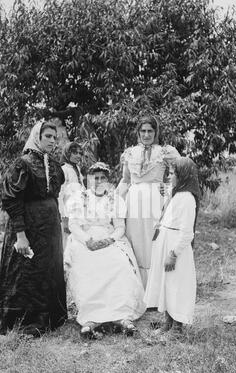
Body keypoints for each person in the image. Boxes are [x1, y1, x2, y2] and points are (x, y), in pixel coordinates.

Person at [0, 120, 68, 337]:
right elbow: (12, 200)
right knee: (26, 271)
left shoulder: (53, 165)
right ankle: (25, 321)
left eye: (55, 137)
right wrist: (20, 236)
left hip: (49, 229)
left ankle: (48, 318)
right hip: (28, 227)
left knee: (47, 270)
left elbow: (54, 194)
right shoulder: (23, 164)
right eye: (48, 137)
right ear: (37, 137)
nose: (52, 141)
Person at [64, 162, 146, 337]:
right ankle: (91, 320)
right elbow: (74, 225)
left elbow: (119, 227)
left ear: (108, 181)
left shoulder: (114, 199)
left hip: (109, 239)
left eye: (103, 178)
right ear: (88, 179)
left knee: (120, 265)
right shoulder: (80, 198)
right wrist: (87, 241)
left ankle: (122, 318)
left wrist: (110, 239)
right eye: (95, 178)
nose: (99, 181)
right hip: (85, 240)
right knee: (88, 266)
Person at [118, 115, 180, 288]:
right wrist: (114, 200)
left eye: (150, 131)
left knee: (154, 239)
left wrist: (167, 188)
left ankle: (156, 289)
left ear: (156, 132)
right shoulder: (130, 153)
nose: (146, 135)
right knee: (136, 240)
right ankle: (139, 288)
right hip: (134, 202)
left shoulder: (165, 152)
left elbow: (181, 173)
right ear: (138, 133)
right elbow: (125, 180)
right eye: (143, 131)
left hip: (155, 201)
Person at [144, 157, 201, 334]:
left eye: (172, 173)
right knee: (166, 283)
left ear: (183, 175)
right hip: (166, 241)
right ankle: (167, 322)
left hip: (175, 247)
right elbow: (169, 209)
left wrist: (173, 254)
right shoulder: (178, 193)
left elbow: (187, 233)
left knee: (177, 285)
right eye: (169, 173)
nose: (169, 177)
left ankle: (177, 327)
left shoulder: (187, 198)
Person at [58, 142, 85, 248]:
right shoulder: (64, 169)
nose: (78, 155)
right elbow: (60, 194)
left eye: (80, 153)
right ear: (67, 154)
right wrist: (64, 218)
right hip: (68, 212)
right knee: (67, 240)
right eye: (75, 153)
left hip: (78, 210)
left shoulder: (76, 169)